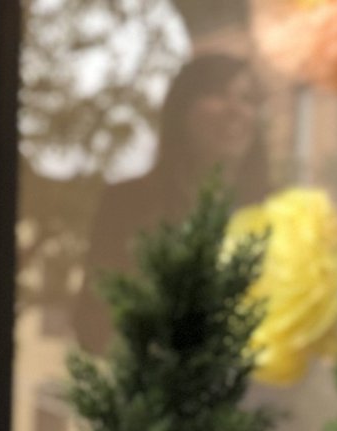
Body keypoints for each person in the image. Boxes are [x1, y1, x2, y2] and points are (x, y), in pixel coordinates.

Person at [73, 53, 270, 354]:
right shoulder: (128, 203)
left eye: (247, 98)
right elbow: (95, 319)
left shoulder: (276, 211)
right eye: (218, 94)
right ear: (183, 109)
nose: (235, 110)